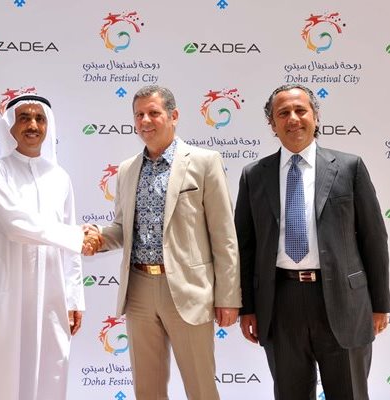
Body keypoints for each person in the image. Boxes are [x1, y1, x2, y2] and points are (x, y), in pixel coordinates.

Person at [235, 84, 390, 399]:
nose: (293, 118)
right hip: (281, 303)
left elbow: (374, 238)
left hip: (344, 302)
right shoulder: (255, 175)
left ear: (315, 117)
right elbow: (245, 247)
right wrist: (247, 308)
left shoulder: (349, 168)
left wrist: (380, 304)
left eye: (300, 110)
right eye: (283, 113)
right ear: (272, 124)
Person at [86, 85, 241, 399]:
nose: (145, 120)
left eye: (153, 113)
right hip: (139, 290)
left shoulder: (205, 162)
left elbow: (224, 235)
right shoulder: (127, 170)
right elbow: (123, 228)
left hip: (188, 290)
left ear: (174, 116)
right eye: (139, 115)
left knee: (201, 389)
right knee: (147, 390)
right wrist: (98, 238)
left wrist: (228, 296)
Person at [0, 94, 99, 399]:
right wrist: (77, 236)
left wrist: (73, 298)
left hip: (51, 296)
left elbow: (70, 247)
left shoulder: (59, 176)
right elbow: (15, 223)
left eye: (40, 119)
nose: (33, 125)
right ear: (9, 125)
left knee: (49, 376)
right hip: (4, 292)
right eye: (24, 117)